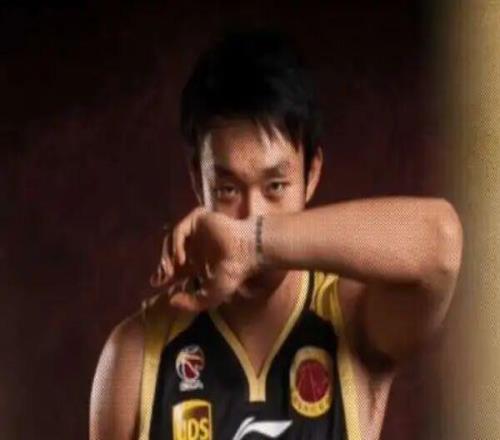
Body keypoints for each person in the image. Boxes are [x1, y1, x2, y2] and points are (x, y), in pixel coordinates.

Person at [89, 28, 463, 440]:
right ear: (198, 180)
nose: (251, 214)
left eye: (275, 186)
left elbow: (440, 240)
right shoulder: (137, 355)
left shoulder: (353, 320)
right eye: (227, 189)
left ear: (312, 174)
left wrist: (254, 244)